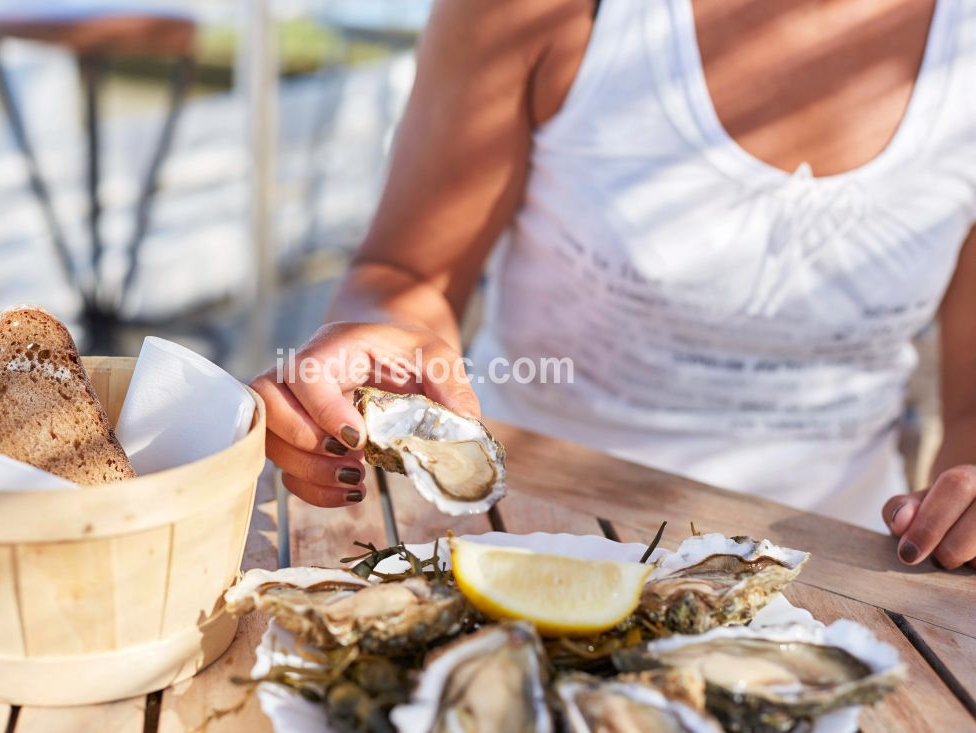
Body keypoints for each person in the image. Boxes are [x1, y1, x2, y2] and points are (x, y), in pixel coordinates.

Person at [252, 0, 976, 570]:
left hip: (848, 571)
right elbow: (407, 272)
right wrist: (378, 357)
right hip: (521, 537)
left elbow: (969, 414)